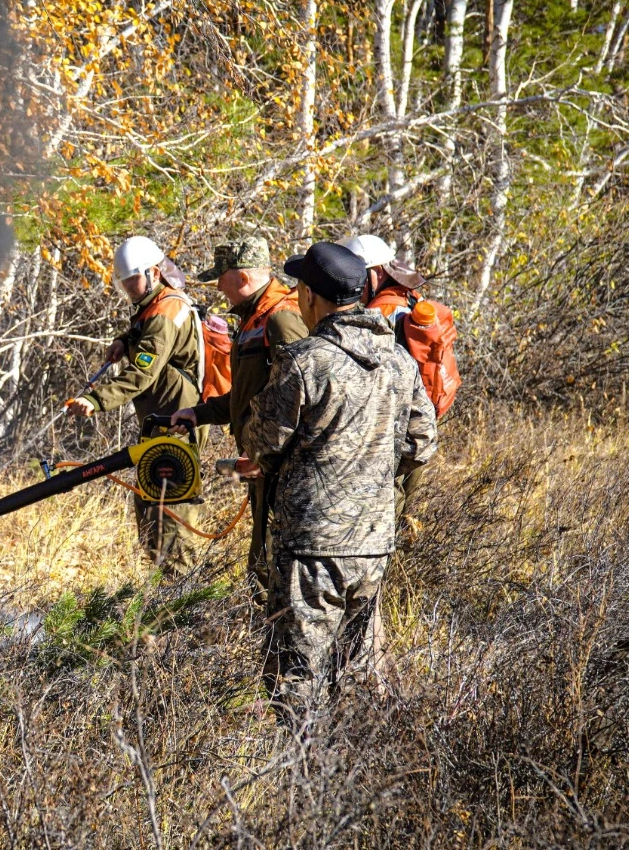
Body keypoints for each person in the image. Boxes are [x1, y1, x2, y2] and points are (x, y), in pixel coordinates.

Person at [242, 240, 438, 704]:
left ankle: (306, 775)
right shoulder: (398, 361)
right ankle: (355, 769)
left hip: (312, 549)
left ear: (310, 296)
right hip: (372, 545)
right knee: (357, 676)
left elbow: (261, 440)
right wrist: (370, 476)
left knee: (295, 681)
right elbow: (422, 443)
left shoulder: (306, 360)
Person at [166, 236, 308, 604]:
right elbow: (248, 395)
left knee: (275, 568)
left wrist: (269, 456)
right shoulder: (254, 319)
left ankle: (277, 647)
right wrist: (198, 413)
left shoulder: (281, 320)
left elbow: (300, 397)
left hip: (282, 470)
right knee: (263, 563)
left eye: (221, 278)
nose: (217, 286)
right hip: (263, 464)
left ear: (242, 277)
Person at [66, 236, 207, 575]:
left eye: (133, 280)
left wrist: (94, 399)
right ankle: (162, 599)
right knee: (150, 512)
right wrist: (124, 340)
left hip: (176, 426)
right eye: (124, 282)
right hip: (161, 424)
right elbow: (148, 341)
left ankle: (182, 602)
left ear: (154, 272)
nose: (129, 288)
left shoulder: (164, 311)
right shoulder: (156, 307)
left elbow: (143, 373)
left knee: (170, 516)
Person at [340, 233, 436, 524]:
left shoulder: (379, 312)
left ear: (377, 273)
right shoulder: (411, 299)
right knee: (409, 514)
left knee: (386, 512)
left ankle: (391, 568)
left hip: (392, 427)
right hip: (421, 423)